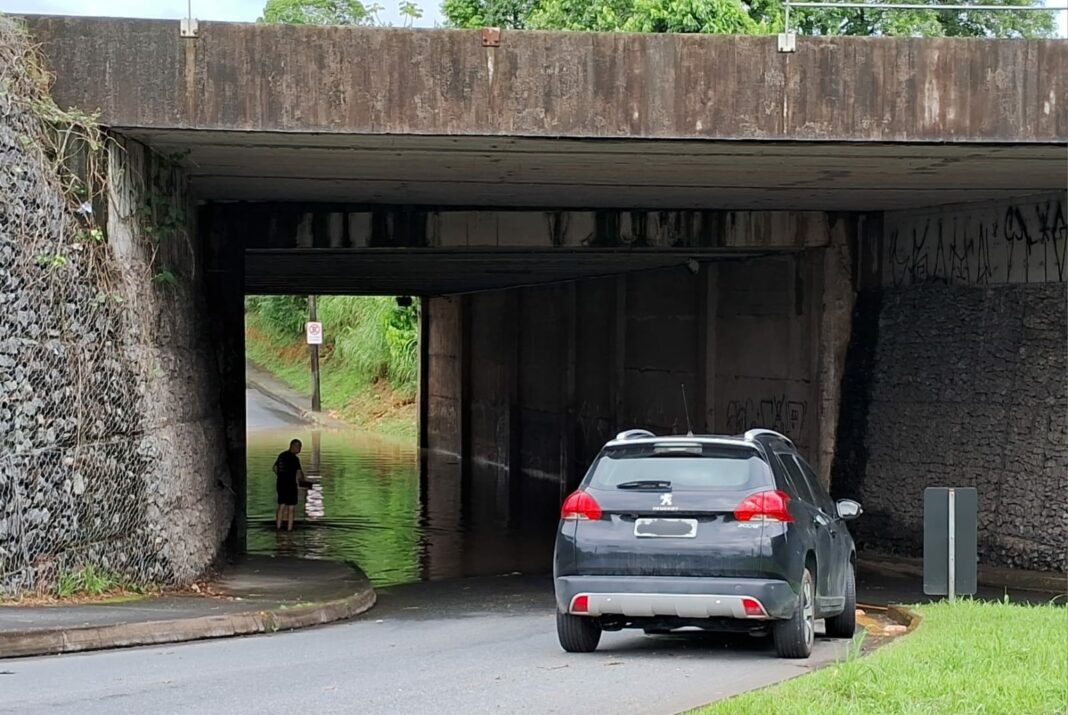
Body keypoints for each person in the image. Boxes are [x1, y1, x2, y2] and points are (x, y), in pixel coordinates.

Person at [273, 439, 304, 531]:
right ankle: (289, 529)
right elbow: (298, 473)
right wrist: (303, 481)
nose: (300, 450)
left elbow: (274, 468)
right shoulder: (294, 459)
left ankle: (278, 527)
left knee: (281, 506)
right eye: (299, 447)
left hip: (280, 484)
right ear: (295, 446)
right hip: (291, 485)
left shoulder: (281, 455)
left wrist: (281, 476)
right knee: (291, 508)